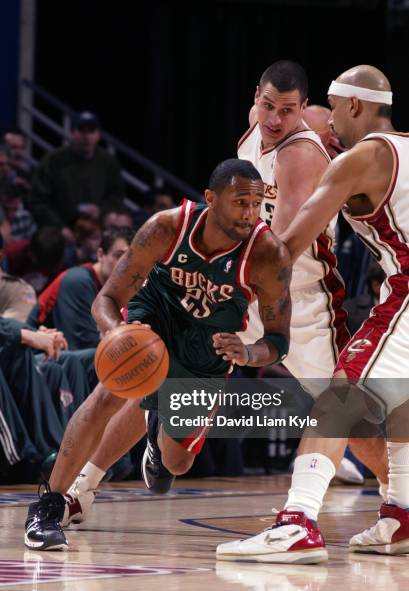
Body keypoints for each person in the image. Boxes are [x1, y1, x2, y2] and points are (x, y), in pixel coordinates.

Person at [23, 158, 292, 550]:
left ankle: (155, 422)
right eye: (240, 202)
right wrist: (119, 334)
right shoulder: (167, 227)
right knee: (109, 393)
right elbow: (108, 299)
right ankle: (47, 504)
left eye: (255, 204)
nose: (249, 213)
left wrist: (249, 353)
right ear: (211, 199)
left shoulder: (269, 255)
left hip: (210, 342)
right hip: (157, 314)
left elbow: (279, 341)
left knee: (177, 462)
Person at [216, 64, 407, 563]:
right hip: (393, 286)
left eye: (330, 109)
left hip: (400, 289)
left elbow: (289, 245)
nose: (326, 126)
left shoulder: (358, 157)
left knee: (339, 395)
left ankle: (298, 522)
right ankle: (403, 515)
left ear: (354, 106)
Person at [237, 60, 362, 483]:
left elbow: (282, 250)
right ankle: (82, 485)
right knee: (164, 356)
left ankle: (396, 500)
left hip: (302, 298)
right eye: (269, 106)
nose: (274, 119)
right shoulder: (258, 126)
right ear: (257, 96)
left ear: (302, 108)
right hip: (251, 286)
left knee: (342, 406)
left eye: (286, 110)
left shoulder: (306, 155)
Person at [28, 227, 133, 350]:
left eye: (133, 258)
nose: (126, 264)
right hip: (37, 359)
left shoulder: (123, 289)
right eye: (119, 255)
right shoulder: (78, 281)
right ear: (100, 255)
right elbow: (83, 345)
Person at [28, 111, 125, 236]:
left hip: (97, 228)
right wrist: (59, 227)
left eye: (91, 131)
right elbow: (37, 200)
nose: (87, 136)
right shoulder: (53, 160)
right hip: (60, 231)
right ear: (72, 132)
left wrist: (102, 211)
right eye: (82, 131)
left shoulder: (108, 162)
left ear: (98, 135)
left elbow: (117, 196)